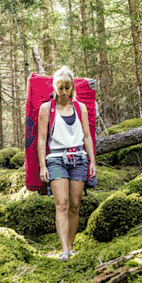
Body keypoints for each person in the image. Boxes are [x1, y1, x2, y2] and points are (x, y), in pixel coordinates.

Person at [38, 67, 98, 260]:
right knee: (61, 204)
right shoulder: (46, 108)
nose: (64, 92)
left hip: (79, 158)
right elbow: (41, 139)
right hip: (56, 159)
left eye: (67, 88)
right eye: (60, 87)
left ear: (72, 88)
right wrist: (42, 166)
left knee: (74, 204)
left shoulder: (81, 108)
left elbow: (88, 136)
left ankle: (70, 245)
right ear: (55, 87)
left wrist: (92, 161)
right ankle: (64, 250)